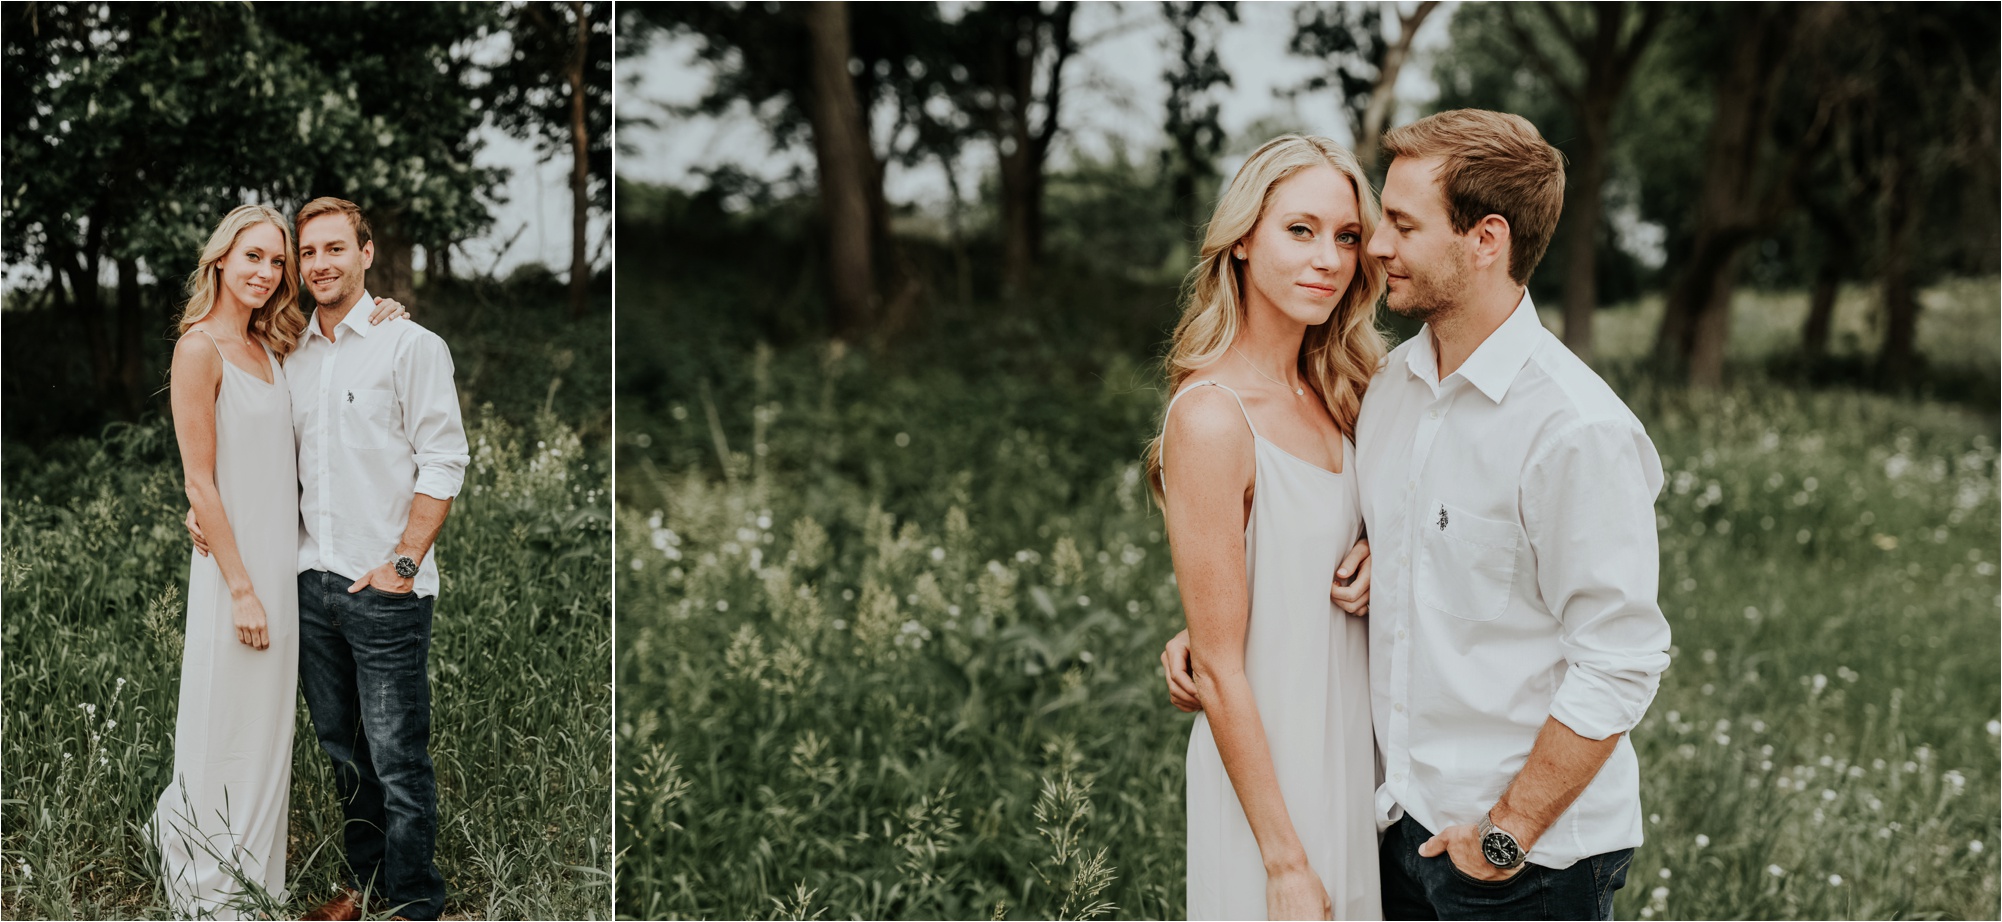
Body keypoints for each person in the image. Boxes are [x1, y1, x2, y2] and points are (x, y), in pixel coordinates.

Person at [1165, 109, 1671, 921]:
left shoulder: (1577, 428)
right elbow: (1313, 532)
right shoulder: (1388, 388)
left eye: (1394, 225)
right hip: (1392, 823)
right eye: (1314, 229)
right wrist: (1224, 626)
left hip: (1523, 860)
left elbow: (1622, 659)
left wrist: (1507, 835)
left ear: (1486, 240)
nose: (1369, 251)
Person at [1145, 135, 1383, 921]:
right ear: (1243, 239)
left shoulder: (1347, 389)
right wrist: (1283, 862)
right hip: (1272, 773)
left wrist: (1387, 551)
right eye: (1300, 230)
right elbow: (1217, 667)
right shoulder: (1214, 416)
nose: (1329, 259)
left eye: (1347, 237)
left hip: (1358, 753)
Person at [153, 204, 406, 919]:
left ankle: (253, 874)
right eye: (252, 258)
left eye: (276, 262)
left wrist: (385, 308)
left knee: (267, 728)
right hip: (238, 574)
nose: (266, 273)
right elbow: (199, 478)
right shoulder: (197, 348)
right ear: (220, 262)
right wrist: (239, 588)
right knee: (222, 716)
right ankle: (208, 880)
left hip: (285, 565)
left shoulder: (275, 345)